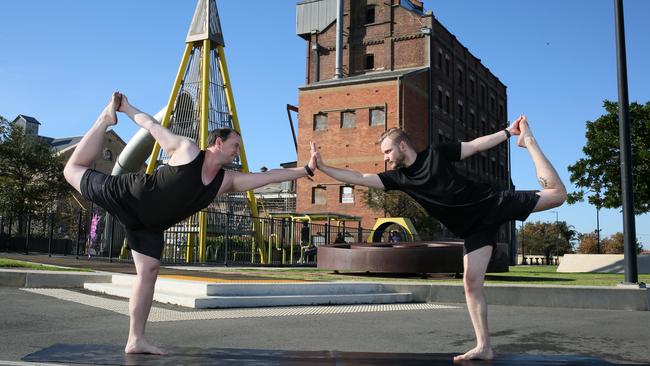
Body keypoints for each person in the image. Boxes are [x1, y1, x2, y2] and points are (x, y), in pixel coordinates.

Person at [63, 92, 318, 355]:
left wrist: (306, 170)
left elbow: (269, 177)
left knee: (149, 272)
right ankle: (104, 120)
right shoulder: (187, 150)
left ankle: (135, 339)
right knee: (72, 169)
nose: (238, 151)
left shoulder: (226, 181)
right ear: (218, 142)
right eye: (235, 146)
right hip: (125, 195)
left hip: (148, 227)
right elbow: (152, 125)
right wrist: (126, 108)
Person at [311, 115, 566, 362]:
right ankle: (484, 346)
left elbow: (475, 146)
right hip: (473, 231)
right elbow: (359, 177)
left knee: (557, 195)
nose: (386, 159)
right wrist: (322, 167)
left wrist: (509, 133)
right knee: (471, 283)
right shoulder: (400, 179)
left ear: (402, 145)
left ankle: (530, 143)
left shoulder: (436, 153)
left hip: (491, 204)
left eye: (387, 152)